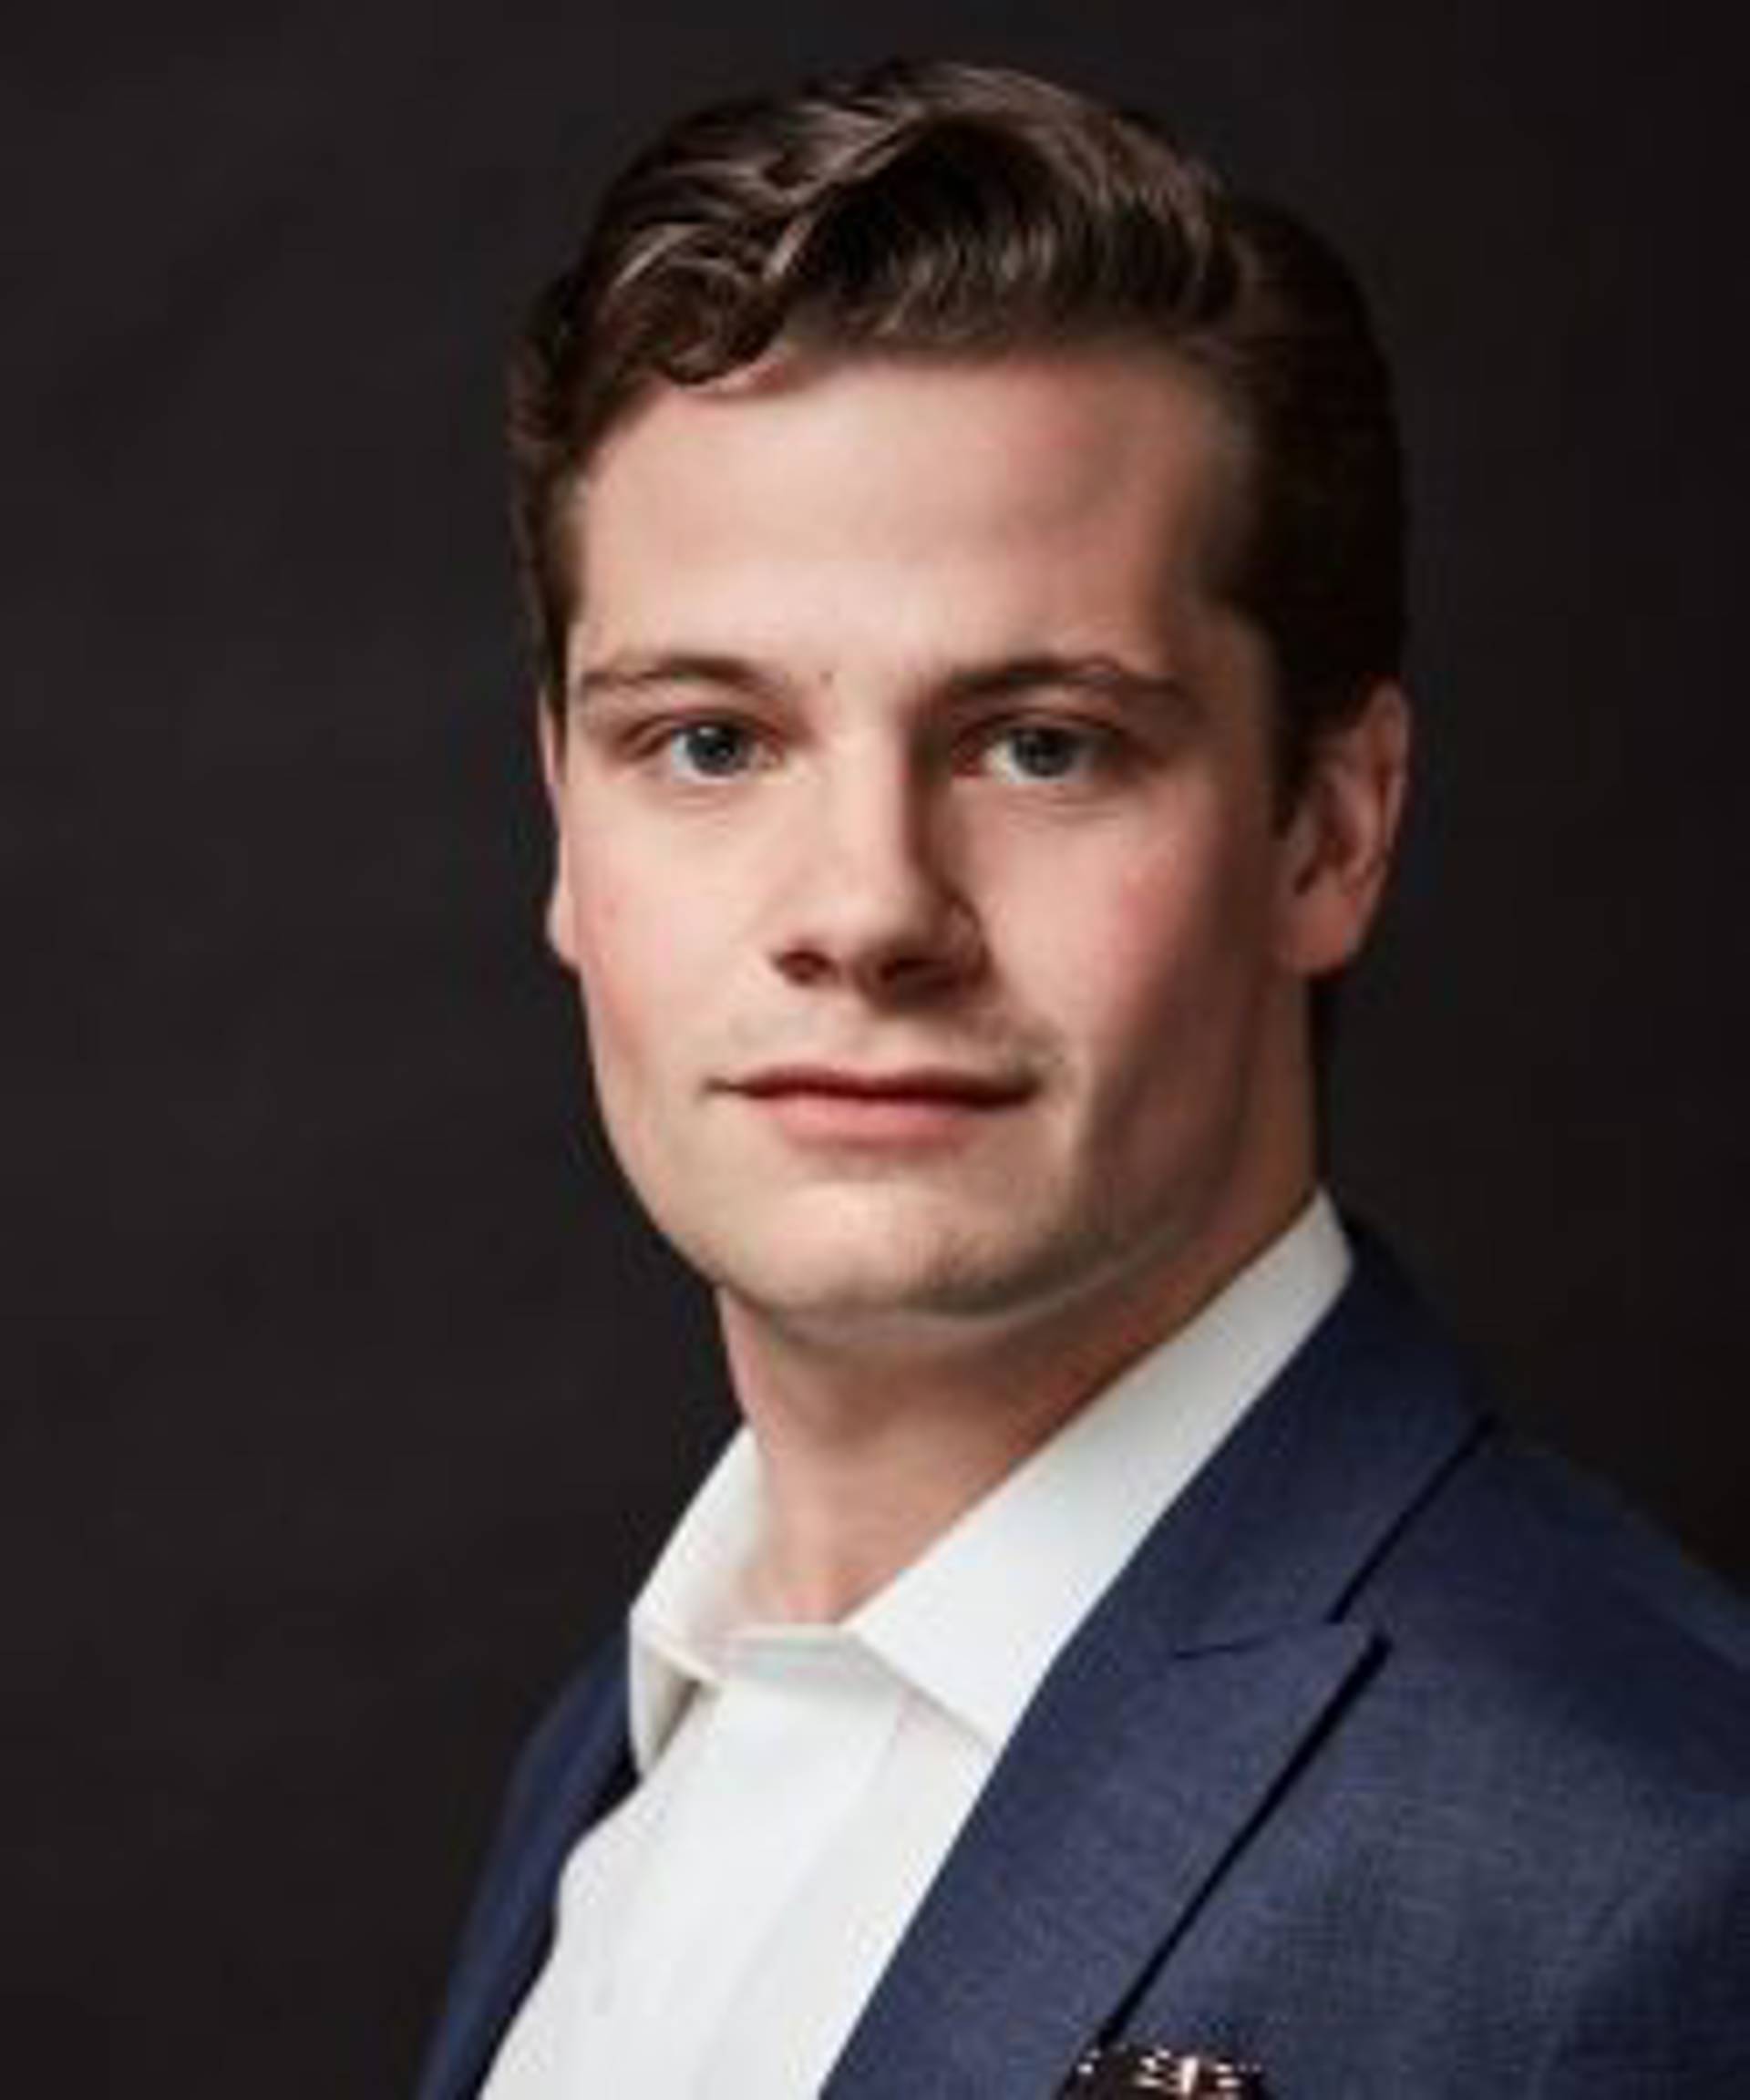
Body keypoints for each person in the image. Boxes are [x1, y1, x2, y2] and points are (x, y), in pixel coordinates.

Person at [419, 58, 1750, 2098]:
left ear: (1332, 826)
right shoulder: (617, 1759)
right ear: (565, 828)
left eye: (1040, 742)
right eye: (708, 740)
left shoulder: (1656, 1874)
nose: (866, 910)